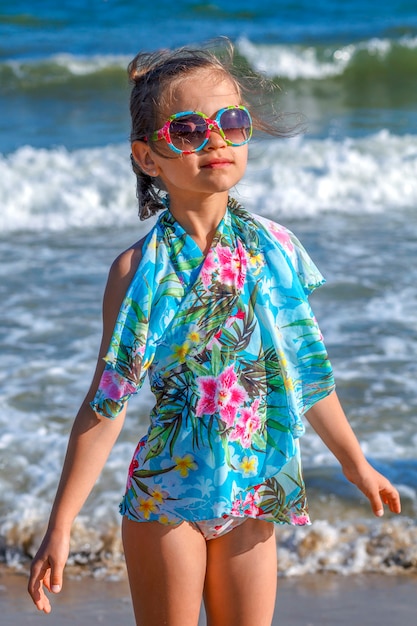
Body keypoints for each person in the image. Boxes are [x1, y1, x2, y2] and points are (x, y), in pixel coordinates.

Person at [28, 42, 401, 626]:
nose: (215, 140)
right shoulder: (137, 272)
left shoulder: (273, 249)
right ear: (148, 157)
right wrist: (61, 524)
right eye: (187, 130)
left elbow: (307, 371)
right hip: (166, 500)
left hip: (253, 489)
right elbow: (106, 406)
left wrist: (355, 463)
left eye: (230, 123)